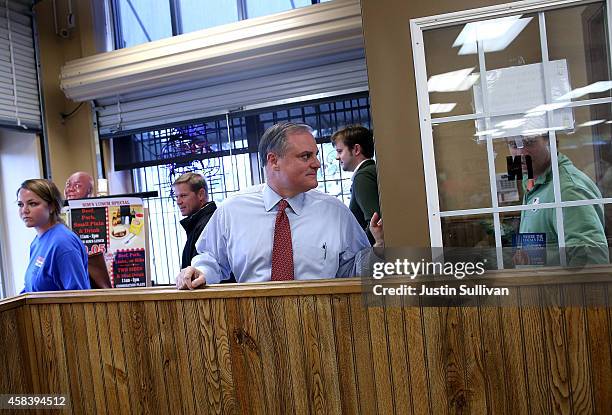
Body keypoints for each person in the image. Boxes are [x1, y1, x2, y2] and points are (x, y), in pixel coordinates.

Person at [176, 122, 383, 289]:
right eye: (306, 156)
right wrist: (199, 271)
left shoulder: (335, 212)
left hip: (320, 327)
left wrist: (380, 249)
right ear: (274, 161)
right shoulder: (232, 211)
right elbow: (211, 258)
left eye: (316, 155)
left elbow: (352, 268)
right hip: (252, 331)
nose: (317, 163)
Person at [507, 135, 609, 266]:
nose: (521, 153)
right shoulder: (532, 181)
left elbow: (591, 264)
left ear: (552, 142)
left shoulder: (567, 189)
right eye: (514, 145)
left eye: (530, 142)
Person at [17, 179, 90, 292]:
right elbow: (32, 288)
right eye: (20, 204)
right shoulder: (37, 241)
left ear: (52, 206)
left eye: (32, 204)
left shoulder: (63, 243)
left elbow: (79, 297)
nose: (24, 210)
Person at [332, 125, 381, 245]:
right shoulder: (374, 170)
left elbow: (374, 223)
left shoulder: (363, 176)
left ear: (356, 149)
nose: (337, 157)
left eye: (340, 151)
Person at [173, 172, 217, 269]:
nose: (178, 202)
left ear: (201, 194)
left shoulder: (208, 223)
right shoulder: (197, 222)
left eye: (183, 196)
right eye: (176, 197)